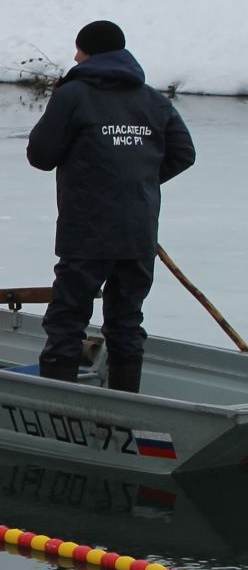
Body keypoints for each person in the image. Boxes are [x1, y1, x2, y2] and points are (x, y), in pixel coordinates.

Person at [26, 21, 194, 391]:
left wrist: (104, 182)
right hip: (138, 229)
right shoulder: (153, 99)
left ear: (90, 53)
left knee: (68, 317)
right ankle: (125, 406)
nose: (74, 56)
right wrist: (135, 184)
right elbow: (183, 154)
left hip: (88, 228)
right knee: (126, 319)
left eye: (79, 50)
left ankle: (58, 406)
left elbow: (40, 155)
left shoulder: (74, 95)